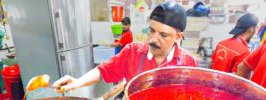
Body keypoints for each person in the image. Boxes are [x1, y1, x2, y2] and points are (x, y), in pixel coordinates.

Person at [53, 1, 198, 92]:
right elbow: (103, 71)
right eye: (152, 31)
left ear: (178, 37)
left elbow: (190, 98)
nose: (153, 39)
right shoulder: (133, 52)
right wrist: (79, 81)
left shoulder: (188, 63)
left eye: (163, 35)